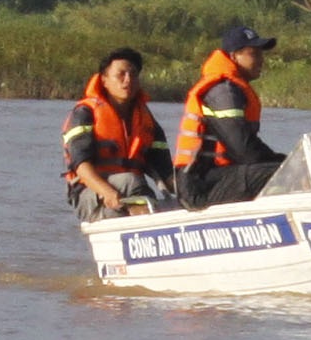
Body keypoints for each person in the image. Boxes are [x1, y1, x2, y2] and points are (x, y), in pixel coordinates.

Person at [171, 24, 283, 208]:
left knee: (284, 169)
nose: (261, 60)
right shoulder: (222, 91)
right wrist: (288, 164)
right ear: (233, 56)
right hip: (200, 184)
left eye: (261, 54)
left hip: (218, 175)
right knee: (282, 172)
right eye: (253, 54)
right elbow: (242, 149)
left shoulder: (233, 88)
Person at [61, 47, 168, 217]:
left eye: (133, 75)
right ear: (104, 80)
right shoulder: (84, 113)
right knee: (130, 180)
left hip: (131, 192)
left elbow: (165, 170)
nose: (128, 80)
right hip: (89, 193)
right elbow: (81, 166)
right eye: (121, 74)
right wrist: (106, 191)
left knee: (159, 204)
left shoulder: (146, 118)